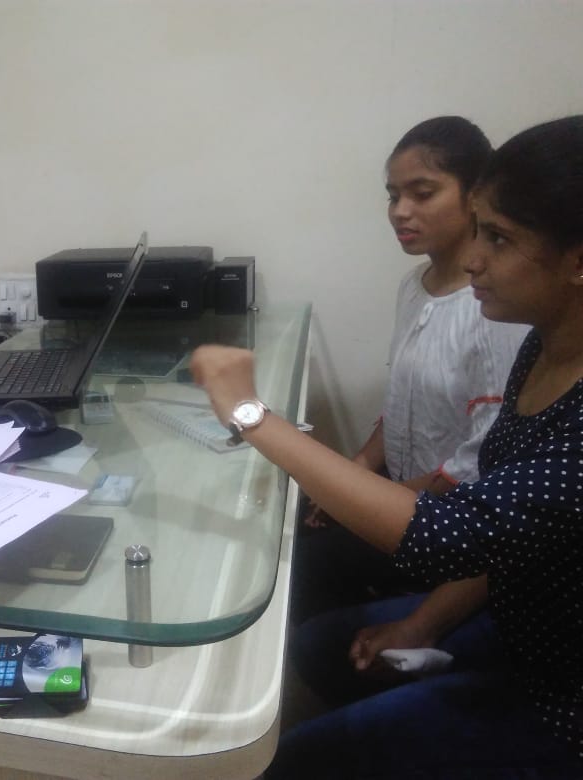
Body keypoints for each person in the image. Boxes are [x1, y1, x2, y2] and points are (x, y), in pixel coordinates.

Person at [191, 116, 583, 777]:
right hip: (518, 617)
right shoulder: (542, 346)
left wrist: (250, 413)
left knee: (294, 762)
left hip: (562, 695)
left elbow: (452, 534)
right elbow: (505, 524)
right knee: (318, 648)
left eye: (498, 238)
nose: (476, 259)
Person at [294, 116, 528, 622]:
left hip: (447, 521)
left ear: (475, 197)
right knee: (295, 534)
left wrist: (370, 501)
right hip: (399, 491)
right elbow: (401, 401)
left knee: (301, 572)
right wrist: (358, 468)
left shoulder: (493, 309)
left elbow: (482, 459)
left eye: (423, 194)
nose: (401, 211)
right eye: (393, 196)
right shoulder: (413, 286)